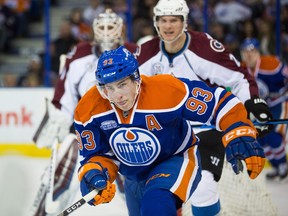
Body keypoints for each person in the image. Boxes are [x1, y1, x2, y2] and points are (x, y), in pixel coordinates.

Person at [75, 45, 265, 216]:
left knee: (155, 206)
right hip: (133, 175)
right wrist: (95, 174)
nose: (117, 95)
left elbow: (219, 102)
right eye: (110, 87)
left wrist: (238, 129)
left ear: (136, 78)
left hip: (175, 158)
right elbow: (96, 155)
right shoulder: (89, 109)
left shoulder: (166, 90)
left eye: (123, 84)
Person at [134, 0, 273, 215]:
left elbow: (239, 79)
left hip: (204, 131)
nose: (168, 26)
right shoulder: (145, 53)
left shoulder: (204, 47)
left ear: (184, 22)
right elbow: (127, 89)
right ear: (156, 22)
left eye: (174, 20)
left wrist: (251, 103)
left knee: (202, 186)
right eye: (163, 21)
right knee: (162, 192)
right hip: (166, 133)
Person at [31, 9, 137, 215]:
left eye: (110, 27)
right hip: (85, 132)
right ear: (94, 30)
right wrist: (60, 116)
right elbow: (65, 93)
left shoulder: (134, 52)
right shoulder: (78, 54)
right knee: (56, 179)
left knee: (136, 185)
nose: (106, 32)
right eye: (102, 27)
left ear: (120, 30)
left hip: (126, 132)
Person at [240, 38, 288, 180]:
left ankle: (283, 166)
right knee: (260, 140)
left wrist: (284, 91)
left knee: (273, 136)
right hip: (258, 109)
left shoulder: (271, 64)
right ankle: (276, 167)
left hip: (277, 104)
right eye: (246, 52)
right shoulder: (241, 69)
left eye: (252, 51)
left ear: (258, 53)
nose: (249, 55)